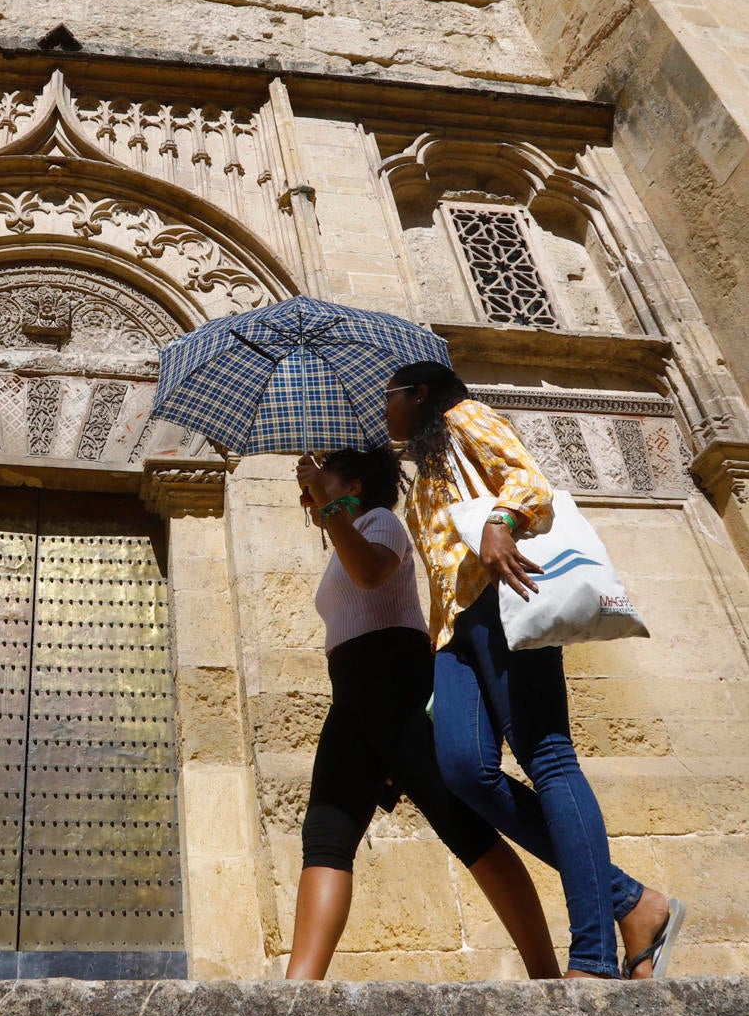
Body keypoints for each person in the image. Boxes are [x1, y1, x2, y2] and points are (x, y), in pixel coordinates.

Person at [382, 360, 686, 979]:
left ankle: (595, 956)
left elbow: (528, 480)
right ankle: (634, 901)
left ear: (418, 395)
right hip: (456, 633)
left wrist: (500, 523)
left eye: (387, 398)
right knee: (465, 769)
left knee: (547, 758)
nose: (383, 410)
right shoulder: (428, 465)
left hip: (505, 605)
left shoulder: (464, 419)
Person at [287, 445, 560, 980]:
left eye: (329, 475)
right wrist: (322, 500)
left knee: (463, 825)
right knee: (325, 829)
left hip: (394, 682)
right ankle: (296, 992)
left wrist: (329, 506)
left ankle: (546, 975)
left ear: (355, 486)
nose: (320, 482)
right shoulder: (348, 527)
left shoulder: (382, 523)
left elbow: (369, 574)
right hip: (354, 695)